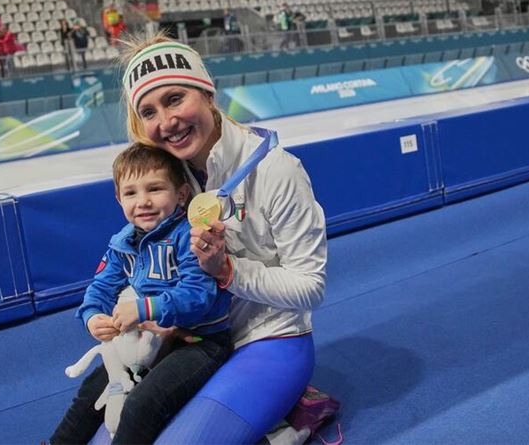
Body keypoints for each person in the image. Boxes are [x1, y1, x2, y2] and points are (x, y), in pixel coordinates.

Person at [116, 32, 327, 444]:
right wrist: (152, 311)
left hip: (271, 339)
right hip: (198, 340)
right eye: (149, 111)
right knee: (111, 431)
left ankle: (291, 415)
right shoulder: (164, 183)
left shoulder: (276, 171)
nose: (167, 122)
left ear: (207, 93)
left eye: (175, 99)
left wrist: (229, 270)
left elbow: (312, 287)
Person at [50, 144, 233, 445]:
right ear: (119, 198)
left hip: (199, 341)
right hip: (147, 344)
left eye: (155, 189)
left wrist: (145, 308)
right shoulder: (122, 243)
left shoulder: (190, 235)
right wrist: (92, 316)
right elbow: (100, 288)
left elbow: (198, 295)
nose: (143, 201)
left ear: (182, 194)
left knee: (141, 403)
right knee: (90, 391)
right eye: (131, 193)